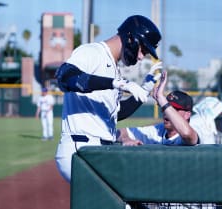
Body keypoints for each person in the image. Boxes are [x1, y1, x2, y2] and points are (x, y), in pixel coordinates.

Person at [54, 15, 162, 182]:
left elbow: (117, 114)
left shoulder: (114, 68)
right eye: (143, 50)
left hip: (100, 149)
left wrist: (144, 90)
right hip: (81, 149)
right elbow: (64, 78)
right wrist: (116, 83)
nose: (141, 57)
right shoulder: (92, 52)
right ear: (131, 38)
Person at [117, 71, 199, 146]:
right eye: (165, 108)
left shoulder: (196, 128)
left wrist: (161, 99)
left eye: (174, 109)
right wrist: (125, 138)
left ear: (187, 115)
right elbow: (120, 131)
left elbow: (188, 135)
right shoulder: (158, 130)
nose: (167, 112)